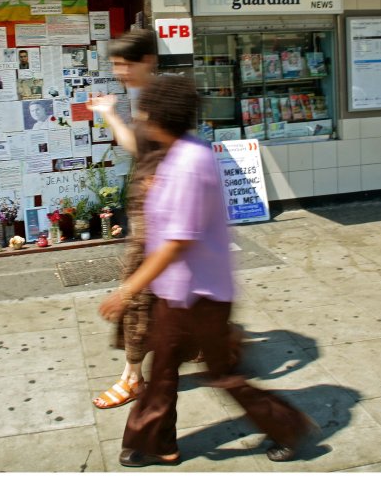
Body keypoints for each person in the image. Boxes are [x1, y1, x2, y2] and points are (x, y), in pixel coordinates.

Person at [98, 75, 318, 467]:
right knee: (163, 369)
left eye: (145, 112)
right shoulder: (177, 153)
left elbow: (178, 239)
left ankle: (288, 427)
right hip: (178, 291)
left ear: (161, 117)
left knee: (222, 374)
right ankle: (157, 443)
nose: (142, 119)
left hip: (202, 295)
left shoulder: (190, 161)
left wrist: (128, 290)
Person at [86, 29, 162, 410]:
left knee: (135, 291)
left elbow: (171, 152)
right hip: (151, 212)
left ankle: (132, 377)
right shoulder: (145, 97)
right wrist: (110, 114)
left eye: (124, 64)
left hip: (158, 217)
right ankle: (210, 347)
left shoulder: (163, 98)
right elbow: (138, 147)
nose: (118, 71)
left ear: (146, 60)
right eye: (114, 64)